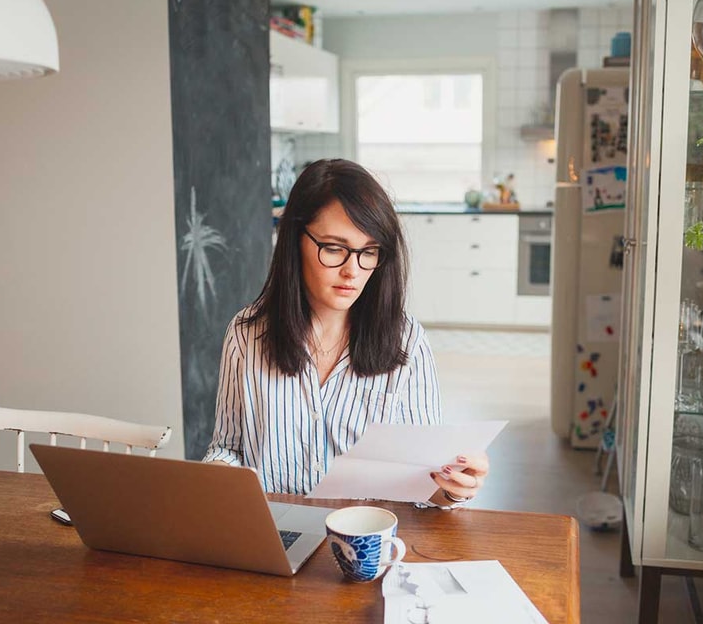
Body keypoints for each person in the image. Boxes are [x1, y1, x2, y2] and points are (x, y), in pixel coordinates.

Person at [202, 158, 489, 507]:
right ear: (295, 241)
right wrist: (217, 476)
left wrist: (451, 488)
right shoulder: (247, 335)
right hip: (273, 535)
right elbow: (228, 447)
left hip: (367, 542)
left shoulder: (407, 342)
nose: (352, 270)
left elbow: (426, 483)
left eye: (368, 252)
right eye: (334, 249)